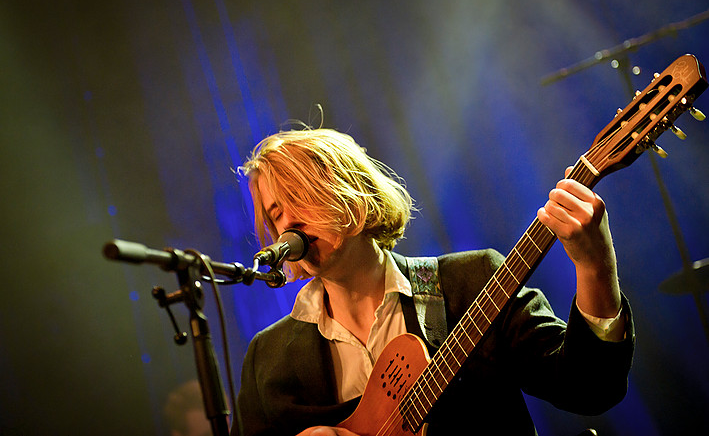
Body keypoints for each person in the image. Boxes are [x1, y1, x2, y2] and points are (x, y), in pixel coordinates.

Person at [233, 127, 634, 436]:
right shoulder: (269, 359)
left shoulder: (471, 281)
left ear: (350, 192)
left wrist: (595, 264)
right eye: (275, 212)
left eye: (299, 196)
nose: (287, 222)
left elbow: (590, 387)